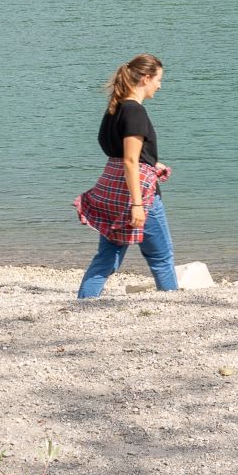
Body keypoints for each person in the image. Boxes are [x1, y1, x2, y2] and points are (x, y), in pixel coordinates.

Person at [77, 55, 177, 298]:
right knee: (161, 257)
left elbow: (120, 153)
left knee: (107, 256)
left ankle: (84, 303)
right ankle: (175, 304)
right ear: (145, 78)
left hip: (112, 194)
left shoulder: (115, 108)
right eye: (158, 79)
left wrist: (152, 162)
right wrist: (138, 205)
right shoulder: (135, 112)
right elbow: (130, 161)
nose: (159, 85)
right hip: (139, 197)